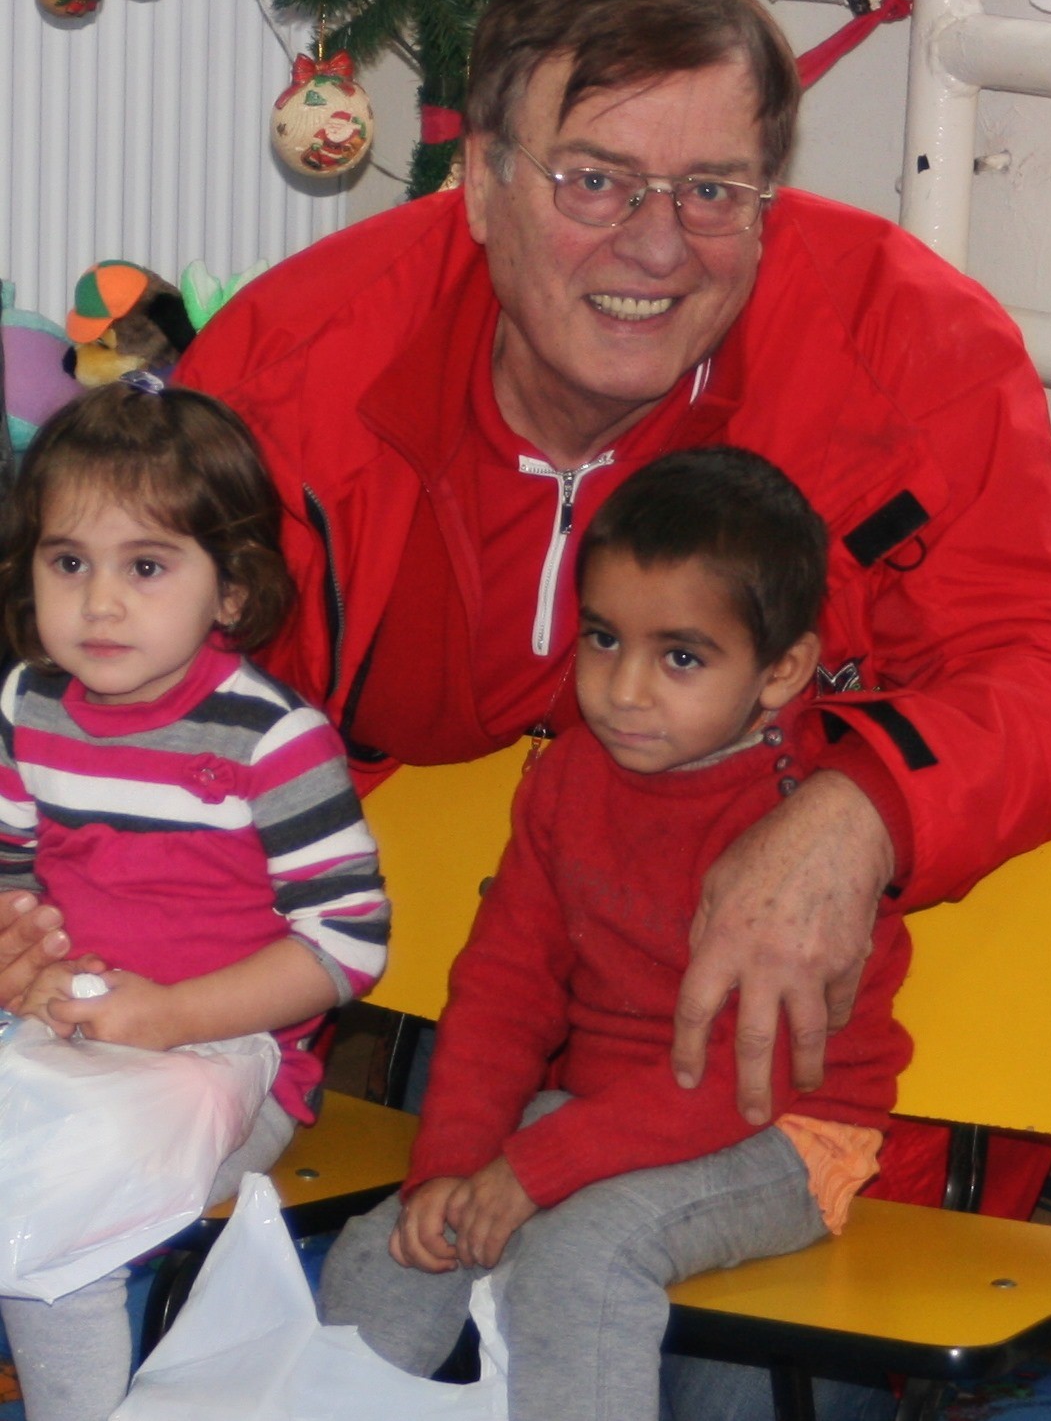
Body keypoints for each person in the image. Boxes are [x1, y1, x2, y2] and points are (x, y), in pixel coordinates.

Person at [0, 0, 1051, 1415]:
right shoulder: (302, 366)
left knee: (718, 1387)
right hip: (490, 1048)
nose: (658, 244)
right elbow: (134, 714)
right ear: (479, 183)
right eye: (595, 179)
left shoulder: (897, 339)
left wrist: (858, 806)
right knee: (350, 1311)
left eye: (714, 189)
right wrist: (39, 921)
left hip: (795, 1093)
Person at [320, 446, 913, 1421]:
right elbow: (504, 986)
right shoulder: (567, 777)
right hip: (594, 1117)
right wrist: (453, 1166)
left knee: (580, 1258)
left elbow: (744, 1077)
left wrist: (533, 1168)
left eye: (680, 656)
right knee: (396, 1244)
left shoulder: (801, 840)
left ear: (782, 670)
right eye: (603, 637)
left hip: (784, 1131)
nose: (625, 687)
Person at [0, 379, 389, 1421]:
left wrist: (169, 1015)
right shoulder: (29, 704)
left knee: (64, 1219)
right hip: (58, 1038)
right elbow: (9, 871)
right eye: (68, 561)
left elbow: (349, 943)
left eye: (146, 565)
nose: (100, 601)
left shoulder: (272, 739)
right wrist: (18, 955)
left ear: (231, 591)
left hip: (228, 1057)